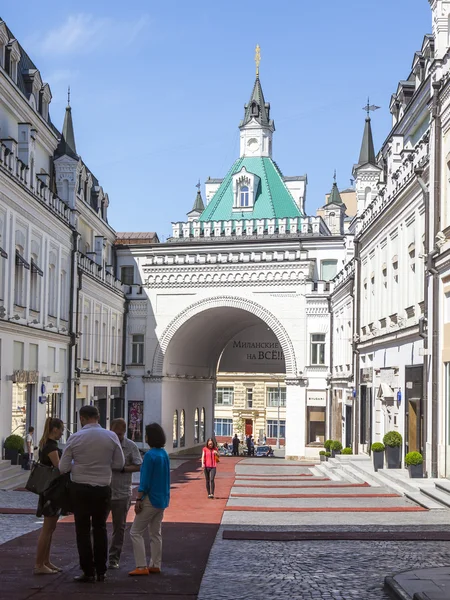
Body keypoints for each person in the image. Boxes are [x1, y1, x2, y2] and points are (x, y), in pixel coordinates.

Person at [59, 405, 124, 583]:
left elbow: (63, 467)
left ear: (82, 418)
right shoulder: (111, 436)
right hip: (102, 487)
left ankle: (87, 571)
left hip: (79, 488)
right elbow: (119, 463)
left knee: (82, 530)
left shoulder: (75, 437)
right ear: (98, 417)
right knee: (100, 528)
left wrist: (78, 466)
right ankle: (101, 570)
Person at [129, 423, 170, 576]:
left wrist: (139, 499)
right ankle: (155, 564)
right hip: (162, 499)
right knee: (155, 532)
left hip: (150, 499)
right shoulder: (164, 454)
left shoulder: (149, 456)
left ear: (150, 437)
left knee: (135, 532)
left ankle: (141, 565)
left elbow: (145, 481)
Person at [108, 418, 142, 570]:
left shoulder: (130, 446)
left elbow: (138, 465)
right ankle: (98, 556)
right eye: (115, 434)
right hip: (104, 490)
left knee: (119, 527)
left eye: (120, 434)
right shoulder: (105, 444)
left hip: (122, 492)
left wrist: (124, 468)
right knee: (96, 526)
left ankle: (114, 558)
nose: (118, 437)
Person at [34, 417, 64, 575]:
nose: (62, 432)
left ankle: (45, 561)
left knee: (51, 527)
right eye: (61, 429)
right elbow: (59, 467)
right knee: (47, 528)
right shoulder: (51, 446)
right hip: (51, 491)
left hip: (49, 490)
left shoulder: (46, 443)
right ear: (54, 429)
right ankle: (39, 564)